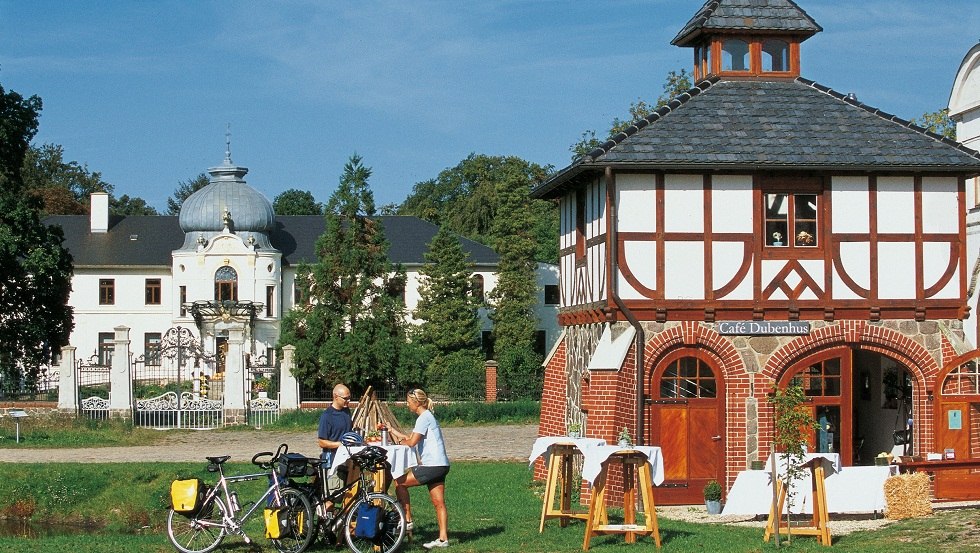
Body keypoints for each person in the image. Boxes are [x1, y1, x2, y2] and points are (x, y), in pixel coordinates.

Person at [389, 388, 450, 549]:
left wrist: (399, 444)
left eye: (408, 402)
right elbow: (410, 437)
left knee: (399, 483)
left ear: (416, 403)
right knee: (438, 502)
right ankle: (443, 539)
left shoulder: (423, 418)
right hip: (442, 465)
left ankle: (407, 520)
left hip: (431, 465)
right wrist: (392, 431)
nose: (407, 404)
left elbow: (411, 442)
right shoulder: (429, 416)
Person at [317, 383, 353, 505]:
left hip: (347, 461)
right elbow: (321, 442)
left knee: (348, 495)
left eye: (349, 398)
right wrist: (340, 445)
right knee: (331, 498)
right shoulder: (327, 416)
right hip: (332, 462)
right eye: (345, 398)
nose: (348, 401)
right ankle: (326, 521)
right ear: (335, 396)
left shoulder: (347, 411)